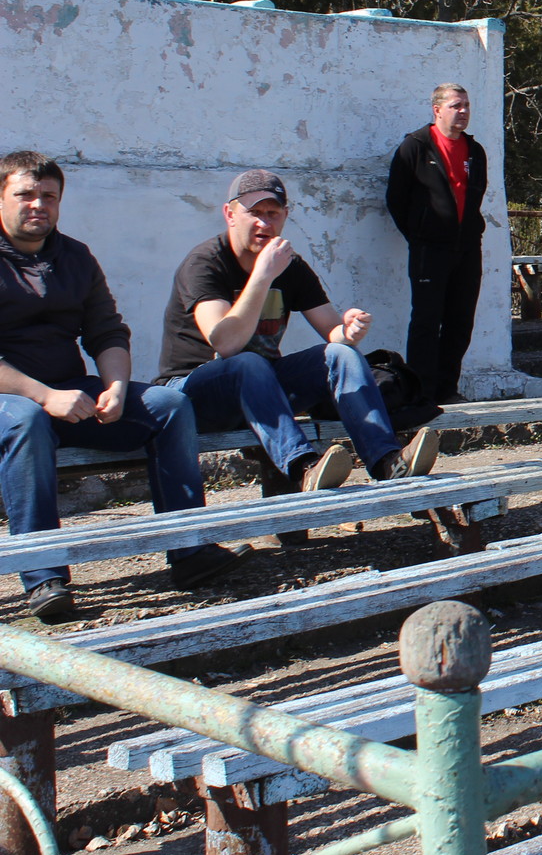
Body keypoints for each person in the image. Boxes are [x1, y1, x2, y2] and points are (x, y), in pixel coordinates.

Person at [0, 152, 249, 622]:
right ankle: (44, 576)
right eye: (25, 194)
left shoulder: (74, 256)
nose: (38, 204)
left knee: (169, 404)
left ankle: (190, 549)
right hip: (11, 401)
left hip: (71, 393)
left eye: (49, 196)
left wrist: (114, 387)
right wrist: (44, 395)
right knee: (27, 420)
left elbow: (107, 331)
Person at [158, 169, 437, 496]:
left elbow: (332, 332)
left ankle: (386, 460)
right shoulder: (205, 263)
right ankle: (304, 468)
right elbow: (226, 343)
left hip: (263, 393)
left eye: (273, 213)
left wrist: (348, 331)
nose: (264, 222)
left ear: (285, 216)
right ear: (230, 215)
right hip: (192, 396)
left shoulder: (289, 266)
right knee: (248, 363)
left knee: (342, 356)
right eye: (254, 212)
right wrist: (263, 276)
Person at [385, 83, 488, 402]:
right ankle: (421, 393)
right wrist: (420, 234)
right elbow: (396, 199)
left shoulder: (475, 150)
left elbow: (476, 194)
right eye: (456, 106)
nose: (463, 112)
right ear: (437, 110)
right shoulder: (415, 147)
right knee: (426, 322)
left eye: (466, 105)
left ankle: (447, 389)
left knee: (461, 321)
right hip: (429, 248)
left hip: (467, 247)